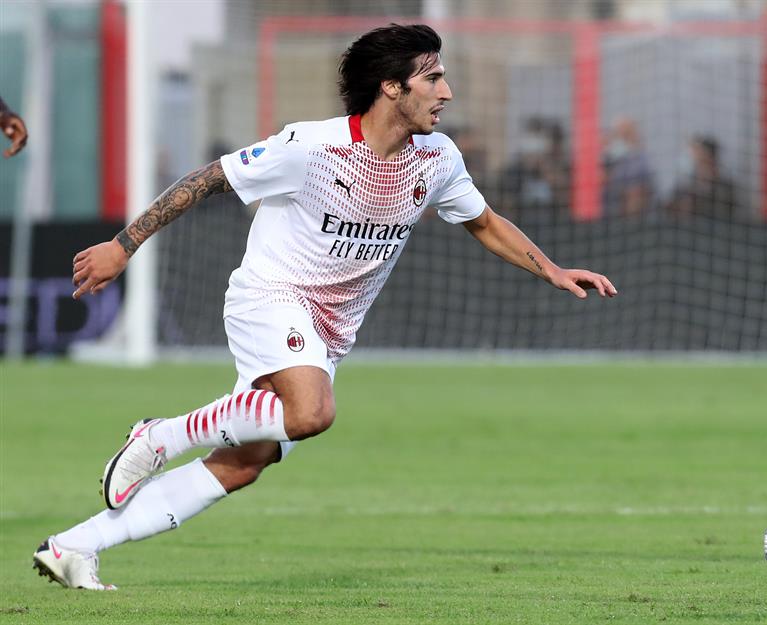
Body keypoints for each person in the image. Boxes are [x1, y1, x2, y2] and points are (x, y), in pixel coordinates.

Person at [32, 23, 615, 591]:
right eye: (433, 78)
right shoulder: (311, 146)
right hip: (270, 298)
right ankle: (161, 435)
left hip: (330, 332)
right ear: (392, 86)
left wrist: (552, 269)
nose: (447, 92)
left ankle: (75, 546)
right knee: (311, 412)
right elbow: (210, 178)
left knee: (245, 463)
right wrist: (123, 245)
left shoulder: (437, 158)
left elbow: (483, 222)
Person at [663, 136, 740, 220]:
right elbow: (668, 206)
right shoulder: (686, 183)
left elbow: (724, 214)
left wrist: (696, 206)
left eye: (700, 158)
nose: (695, 160)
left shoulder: (725, 187)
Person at [602, 117, 654, 219]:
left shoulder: (641, 163)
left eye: (625, 135)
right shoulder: (610, 161)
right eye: (616, 134)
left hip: (633, 220)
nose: (618, 139)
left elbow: (636, 197)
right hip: (608, 218)